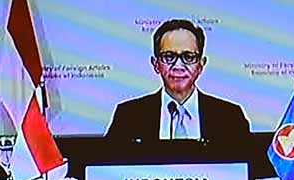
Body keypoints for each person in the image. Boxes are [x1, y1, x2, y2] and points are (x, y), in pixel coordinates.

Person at [105, 20, 251, 145]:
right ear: (156, 64)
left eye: (188, 57)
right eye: (169, 57)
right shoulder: (128, 116)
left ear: (201, 65)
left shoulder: (230, 117)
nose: (178, 66)